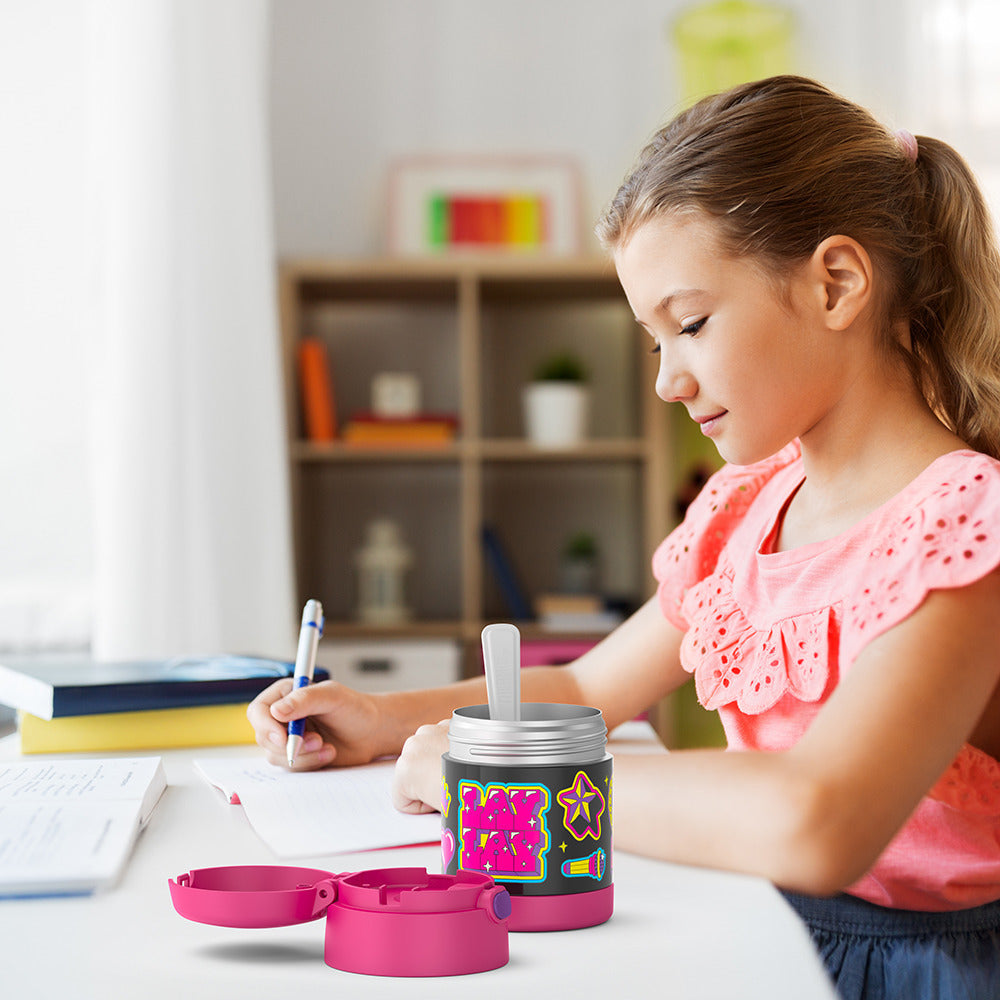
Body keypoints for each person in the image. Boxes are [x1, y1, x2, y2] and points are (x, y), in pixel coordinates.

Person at [248, 76, 1000, 998]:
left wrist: (492, 786)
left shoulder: (963, 527)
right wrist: (382, 719)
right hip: (762, 928)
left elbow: (819, 820)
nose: (668, 382)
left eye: (690, 325)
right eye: (655, 343)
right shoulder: (745, 512)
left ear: (836, 283)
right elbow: (581, 687)